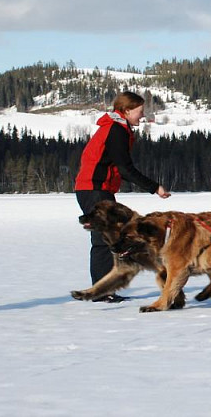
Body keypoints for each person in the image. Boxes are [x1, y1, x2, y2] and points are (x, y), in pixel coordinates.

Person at [74, 92, 171, 302]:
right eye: (139, 111)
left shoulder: (117, 128)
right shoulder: (116, 130)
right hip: (94, 188)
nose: (142, 116)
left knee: (111, 237)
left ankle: (107, 288)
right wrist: (155, 188)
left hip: (97, 188)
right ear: (126, 111)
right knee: (103, 239)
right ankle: (102, 292)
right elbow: (125, 169)